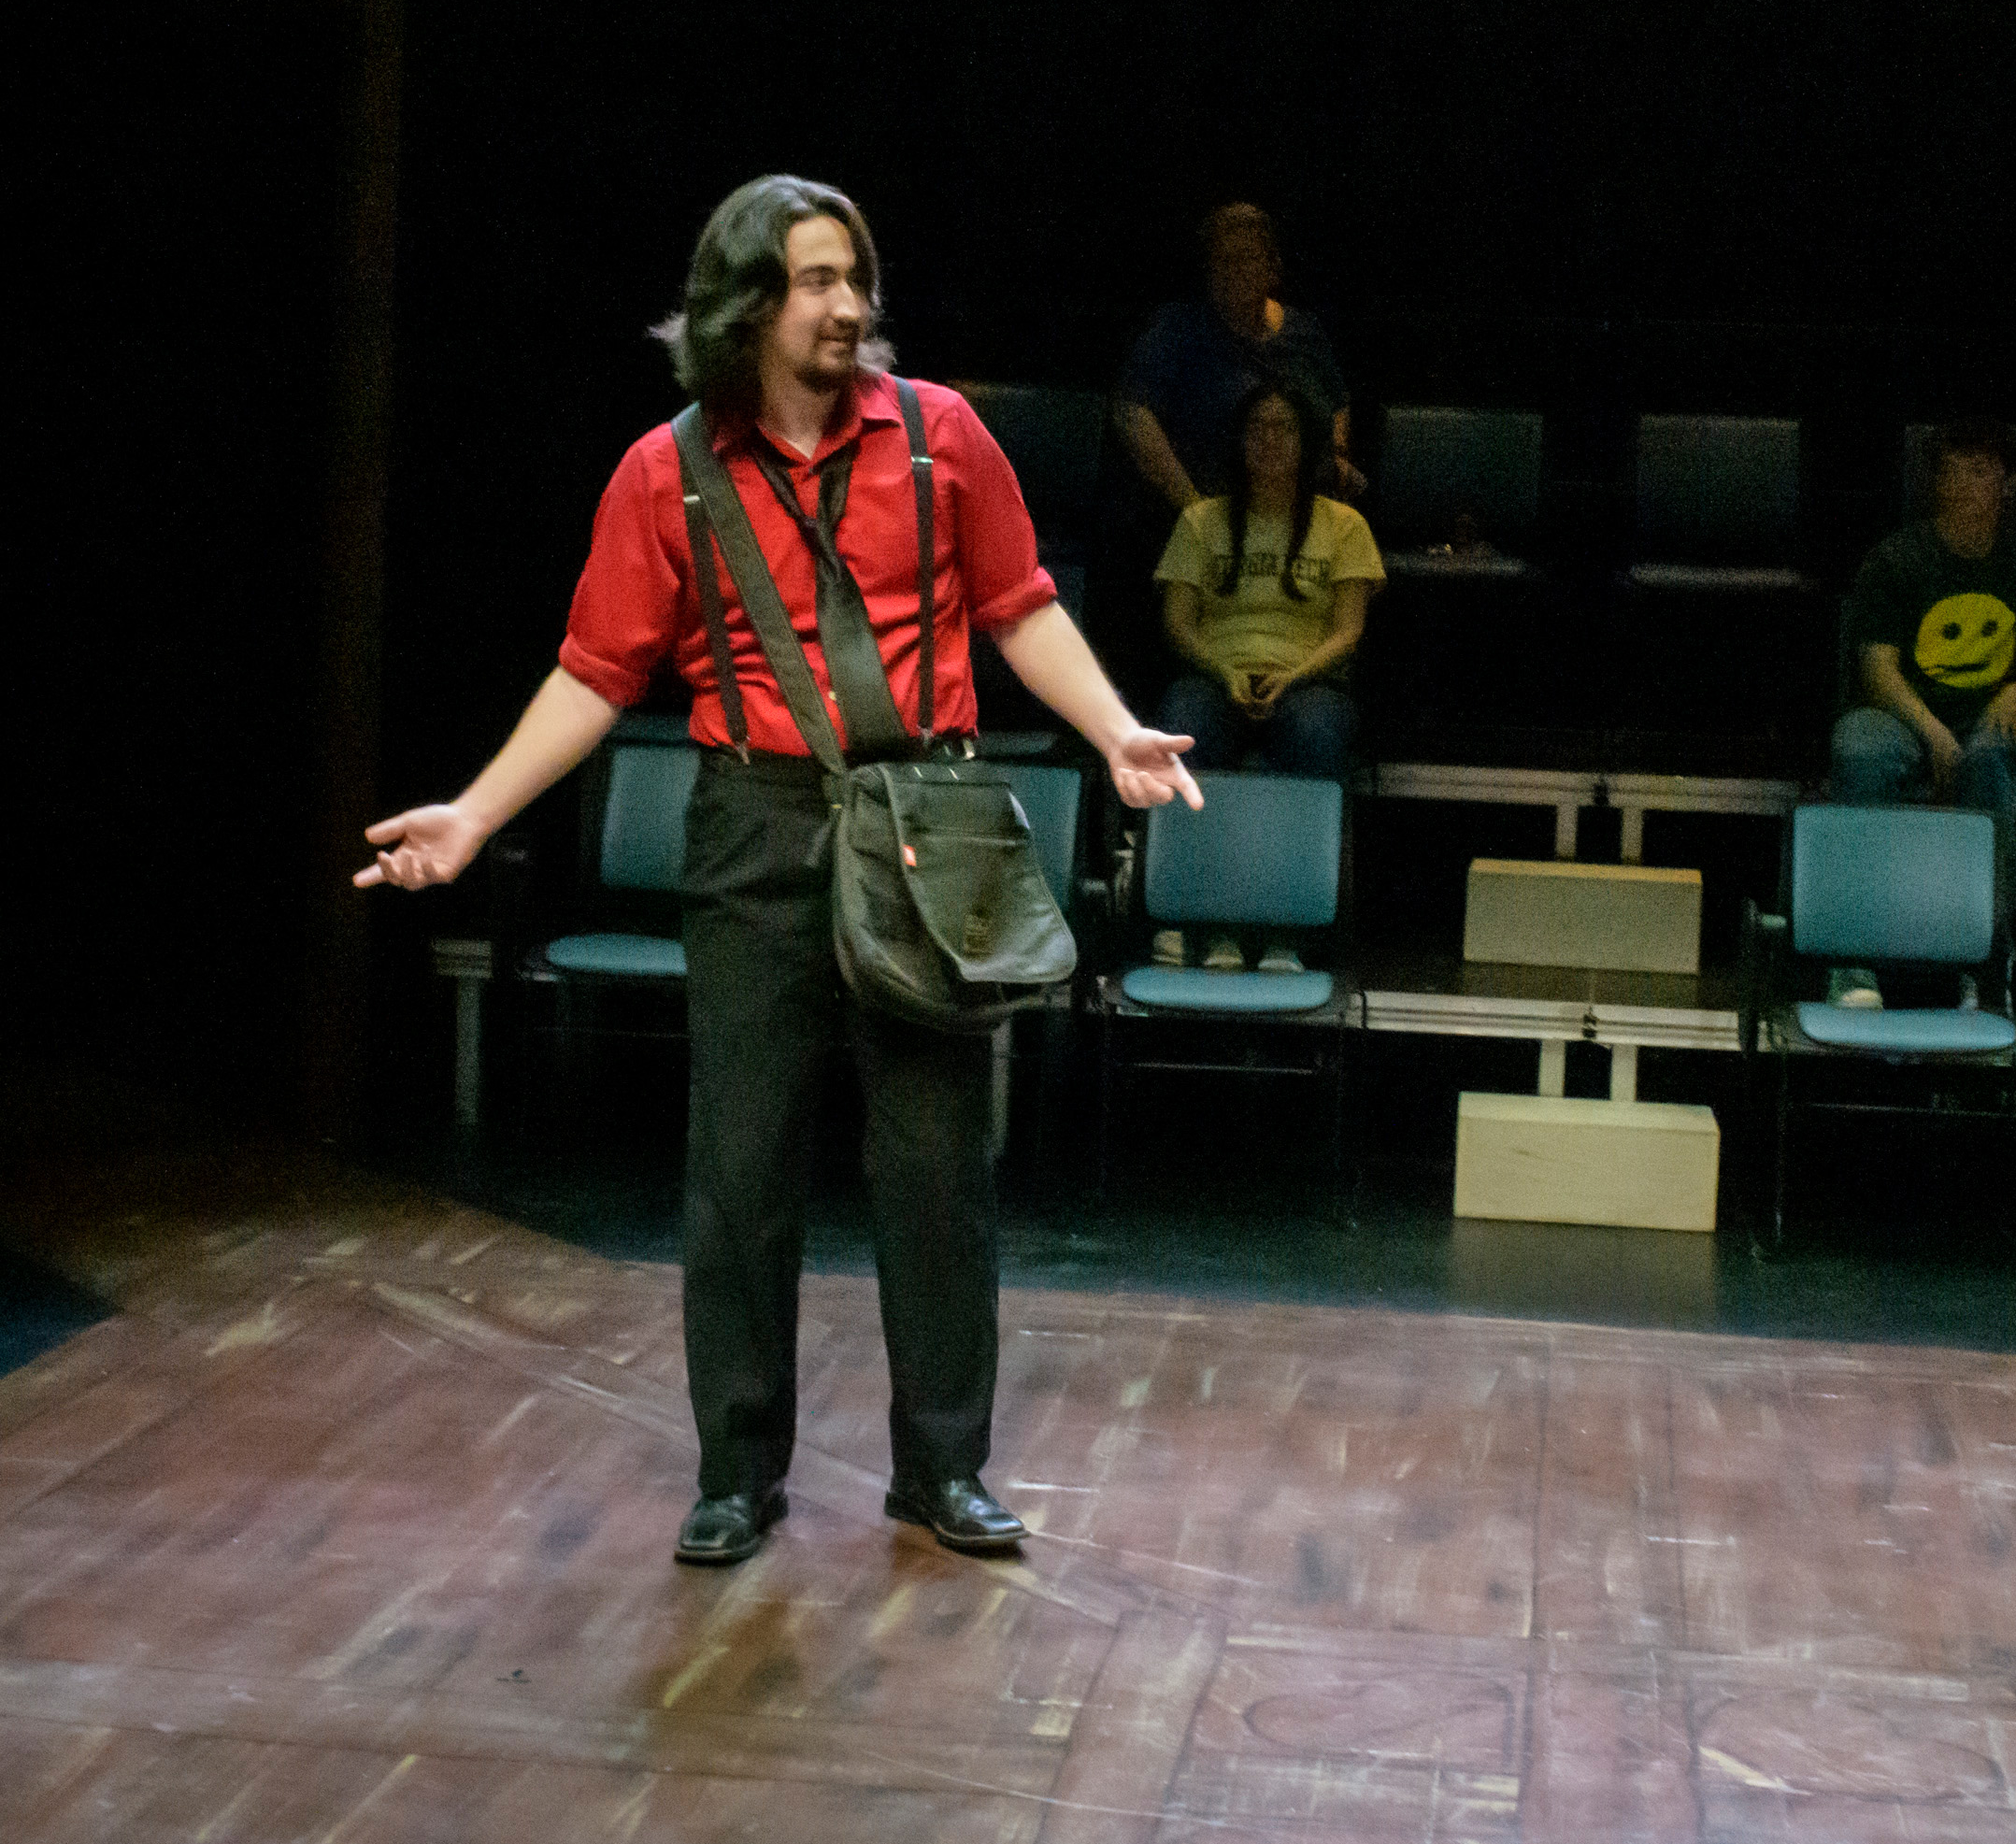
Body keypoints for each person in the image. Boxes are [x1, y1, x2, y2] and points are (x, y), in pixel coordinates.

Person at [356, 176, 1199, 1570]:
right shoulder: (667, 470)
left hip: (923, 822)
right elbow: (596, 670)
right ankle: (737, 1473)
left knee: (936, 1164)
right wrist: (473, 811)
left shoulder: (940, 434)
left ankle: (943, 1467)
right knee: (741, 1164)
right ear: (747, 301)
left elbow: (1019, 605)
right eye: (816, 279)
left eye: (856, 276)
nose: (848, 304)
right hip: (755, 823)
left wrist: (1113, 732)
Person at [1828, 422, 2016, 1001]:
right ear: (1937, 483)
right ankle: (1852, 961)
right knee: (1859, 748)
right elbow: (1877, 669)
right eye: (1957, 471)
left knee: (1990, 760)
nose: (1969, 484)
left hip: (1988, 718)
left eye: (1983, 471)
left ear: (2010, 484)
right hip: (1903, 716)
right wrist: (1931, 730)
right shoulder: (1894, 560)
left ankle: (1983, 965)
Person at [1154, 379, 1383, 788]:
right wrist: (1226, 672)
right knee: (1184, 717)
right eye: (1257, 427)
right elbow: (1177, 624)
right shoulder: (1200, 520)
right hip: (1215, 678)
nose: (1269, 439)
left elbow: (1349, 631)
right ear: (1239, 440)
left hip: (1310, 682)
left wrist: (1293, 676)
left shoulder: (1345, 525)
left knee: (1316, 729)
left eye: (1284, 427)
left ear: (1306, 442)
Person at [1115, 202, 1363, 520]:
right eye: (1222, 259)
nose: (1234, 270)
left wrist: (1338, 455)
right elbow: (1131, 411)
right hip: (1218, 516)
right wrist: (1194, 508)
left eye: (1246, 258)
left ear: (1272, 269)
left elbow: (1337, 399)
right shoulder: (1177, 329)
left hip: (1308, 515)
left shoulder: (1305, 330)